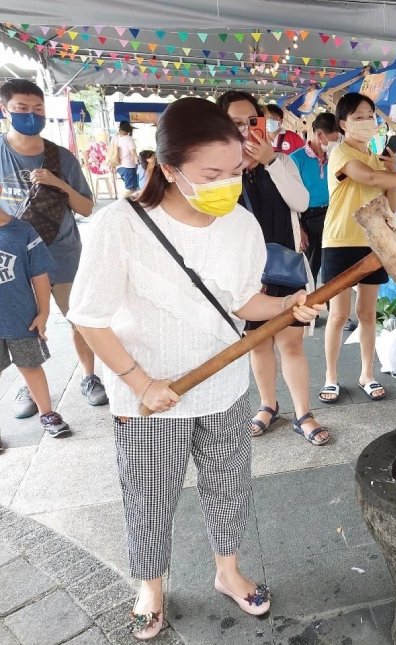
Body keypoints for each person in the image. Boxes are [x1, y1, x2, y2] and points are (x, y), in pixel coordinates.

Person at [67, 97, 321, 640]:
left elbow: (242, 300)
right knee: (150, 494)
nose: (226, 184)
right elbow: (88, 318)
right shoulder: (122, 226)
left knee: (229, 486)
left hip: (225, 389)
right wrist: (141, 382)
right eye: (211, 173)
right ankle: (151, 585)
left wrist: (283, 307)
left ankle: (226, 571)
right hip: (153, 396)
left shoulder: (242, 226)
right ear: (168, 167)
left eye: (235, 171)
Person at [318, 92, 396, 404]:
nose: (366, 122)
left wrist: (392, 177)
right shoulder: (340, 153)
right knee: (338, 314)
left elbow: (388, 205)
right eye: (359, 116)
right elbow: (368, 176)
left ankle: (367, 374)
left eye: (370, 115)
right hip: (339, 242)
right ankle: (331, 377)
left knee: (366, 314)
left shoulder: (378, 160)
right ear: (344, 123)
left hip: (372, 243)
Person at [216, 90, 329, 445]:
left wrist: (270, 161)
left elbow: (301, 201)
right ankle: (267, 405)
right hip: (244, 274)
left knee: (291, 344)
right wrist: (235, 166)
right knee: (258, 345)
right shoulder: (218, 168)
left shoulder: (283, 160)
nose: (247, 128)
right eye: (236, 123)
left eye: (253, 121)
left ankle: (303, 414)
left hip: (283, 270)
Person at [0, 79, 105, 419]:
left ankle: (90, 377)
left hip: (62, 254)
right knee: (21, 327)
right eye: (21, 109)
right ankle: (29, 384)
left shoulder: (61, 157)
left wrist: (58, 184)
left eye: (37, 109)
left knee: (80, 319)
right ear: (5, 110)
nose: (31, 116)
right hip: (13, 262)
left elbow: (87, 208)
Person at [0, 194, 69, 438]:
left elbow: (39, 274)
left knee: (30, 366)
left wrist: (44, 311)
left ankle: (47, 413)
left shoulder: (22, 232)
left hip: (22, 318)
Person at [290, 112, 340, 285]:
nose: (336, 143)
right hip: (307, 218)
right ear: (319, 135)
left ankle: (331, 306)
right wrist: (299, 229)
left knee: (332, 265)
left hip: (331, 214)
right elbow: (289, 197)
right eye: (334, 139)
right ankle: (308, 307)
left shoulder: (335, 157)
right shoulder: (296, 159)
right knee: (310, 268)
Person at [112, 120, 138, 195]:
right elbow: (134, 154)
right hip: (128, 167)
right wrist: (138, 163)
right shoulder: (129, 139)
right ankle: (125, 203)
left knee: (129, 188)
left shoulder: (115, 138)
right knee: (131, 190)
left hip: (119, 167)